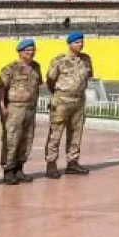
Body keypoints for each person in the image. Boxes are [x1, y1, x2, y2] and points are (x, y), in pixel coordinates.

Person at [45, 31, 94, 178]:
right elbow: (50, 80)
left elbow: (88, 77)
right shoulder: (59, 60)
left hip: (79, 101)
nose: (80, 44)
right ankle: (51, 164)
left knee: (76, 133)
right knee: (55, 134)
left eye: (81, 42)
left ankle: (72, 162)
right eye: (77, 42)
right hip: (62, 101)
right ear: (69, 44)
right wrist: (58, 94)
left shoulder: (86, 59)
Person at [0, 39, 43, 185]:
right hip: (15, 109)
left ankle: (19, 169)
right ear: (20, 52)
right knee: (11, 140)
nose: (30, 52)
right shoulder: (10, 69)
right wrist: (2, 107)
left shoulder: (36, 67)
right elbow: (0, 88)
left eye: (32, 49)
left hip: (30, 108)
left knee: (27, 139)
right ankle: (8, 171)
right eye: (27, 50)